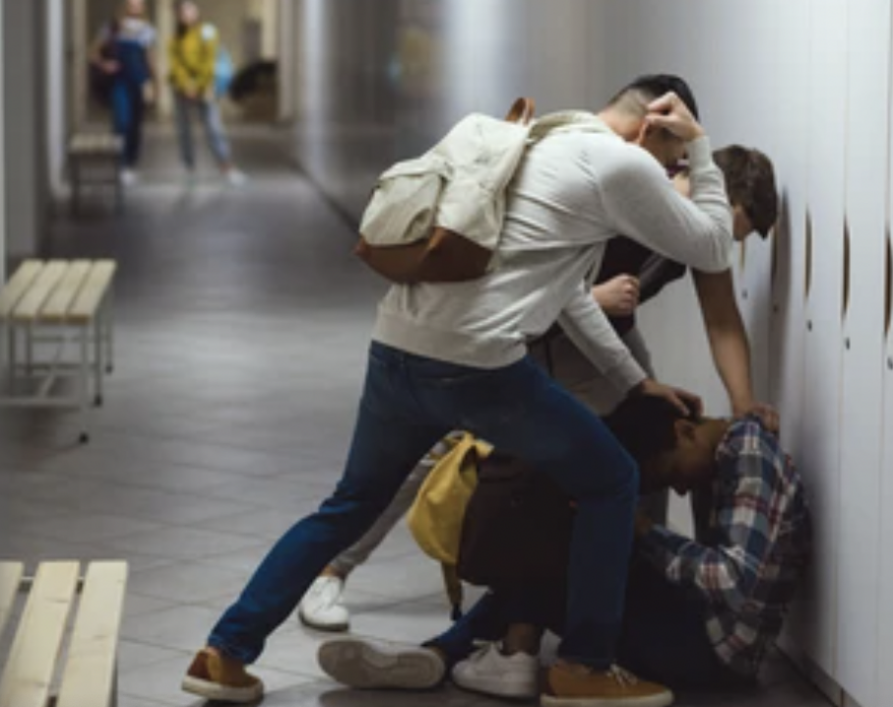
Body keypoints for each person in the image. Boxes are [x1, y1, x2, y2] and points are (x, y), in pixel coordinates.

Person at [182, 74, 734, 707]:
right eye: (670, 160)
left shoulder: (536, 138)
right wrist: (702, 148)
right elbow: (713, 243)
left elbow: (571, 296)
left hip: (397, 347)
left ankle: (224, 652)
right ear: (653, 129)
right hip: (479, 365)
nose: (667, 175)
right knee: (611, 480)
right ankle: (584, 665)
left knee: (348, 505)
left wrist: (636, 383)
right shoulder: (618, 162)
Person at [298, 144, 780, 632]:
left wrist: (744, 409)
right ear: (702, 189)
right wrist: (593, 298)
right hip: (522, 323)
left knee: (645, 440)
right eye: (723, 227)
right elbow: (526, 268)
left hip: (601, 338)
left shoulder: (703, 231)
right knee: (438, 446)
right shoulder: (628, 191)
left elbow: (721, 319)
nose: (716, 244)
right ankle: (331, 570)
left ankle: (618, 598)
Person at [317, 395, 812, 702]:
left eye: (669, 474)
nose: (680, 490)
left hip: (712, 653)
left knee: (577, 544)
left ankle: (468, 654)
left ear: (684, 431)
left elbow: (733, 580)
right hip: (698, 628)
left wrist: (644, 533)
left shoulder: (745, 450)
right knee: (576, 538)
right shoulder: (723, 455)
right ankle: (468, 654)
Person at [169, 1, 247, 186]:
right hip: (182, 89)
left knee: (214, 127)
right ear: (178, 15)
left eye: (190, 9)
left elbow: (210, 59)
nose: (187, 14)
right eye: (183, 11)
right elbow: (176, 64)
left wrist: (199, 84)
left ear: (196, 11)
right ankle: (188, 166)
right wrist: (186, 84)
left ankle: (226, 166)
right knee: (183, 129)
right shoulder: (175, 37)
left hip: (205, 87)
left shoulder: (208, 31)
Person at [90, 0, 158, 185]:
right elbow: (94, 52)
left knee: (136, 126)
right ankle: (118, 165)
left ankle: (129, 165)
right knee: (122, 122)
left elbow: (151, 60)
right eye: (132, 2)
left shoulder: (148, 30)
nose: (135, 6)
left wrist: (154, 85)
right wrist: (105, 65)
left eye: (139, 3)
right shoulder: (112, 27)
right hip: (120, 82)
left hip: (139, 81)